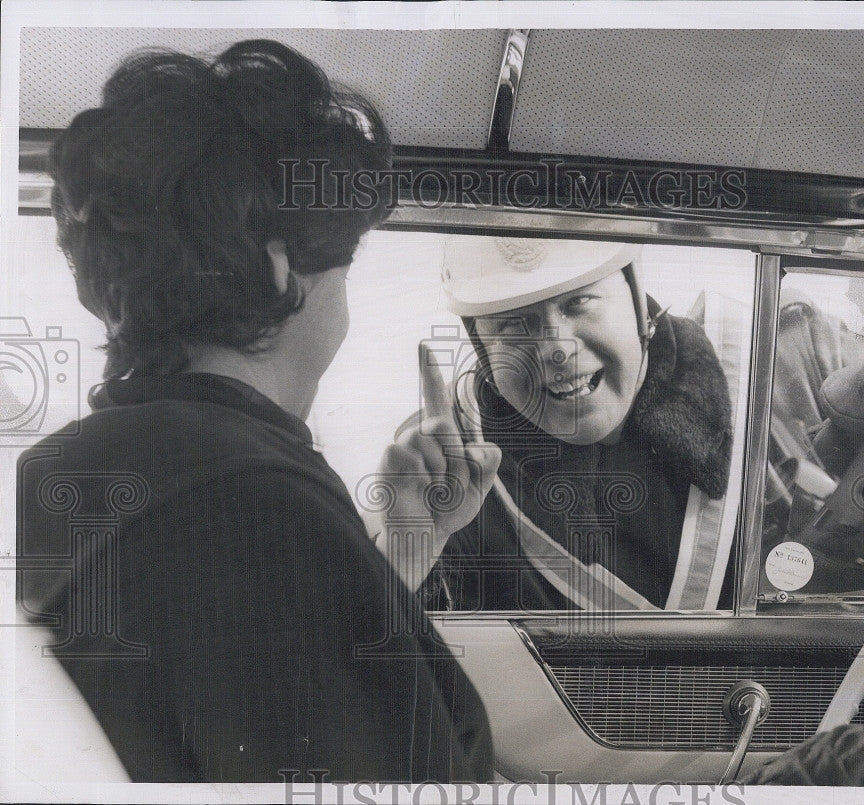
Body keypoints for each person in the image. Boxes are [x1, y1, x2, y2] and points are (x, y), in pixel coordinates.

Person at [17, 40, 498, 782]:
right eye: (344, 264)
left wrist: (405, 543)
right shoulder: (259, 507)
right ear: (279, 266)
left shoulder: (53, 470)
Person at [382, 236, 734, 611]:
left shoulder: (770, 371)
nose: (558, 350)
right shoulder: (446, 460)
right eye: (513, 325)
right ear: (482, 352)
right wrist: (404, 561)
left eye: (578, 302)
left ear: (637, 298)